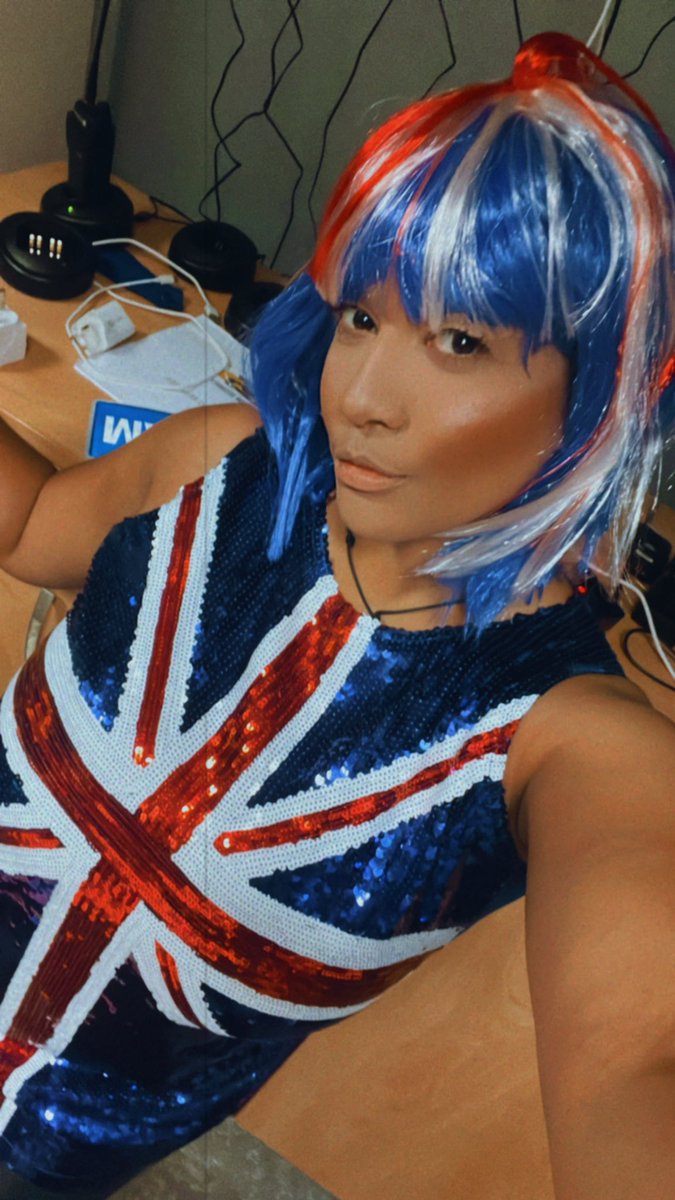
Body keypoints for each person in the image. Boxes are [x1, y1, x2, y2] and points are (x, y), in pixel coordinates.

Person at [0, 29, 673, 1200]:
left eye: (458, 340)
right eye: (361, 316)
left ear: (596, 394)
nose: (359, 395)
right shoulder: (218, 467)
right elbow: (30, 528)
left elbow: (637, 1069)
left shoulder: (568, 743)